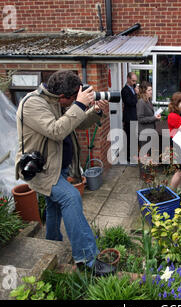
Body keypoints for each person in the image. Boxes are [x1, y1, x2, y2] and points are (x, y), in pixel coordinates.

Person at [15, 70, 115, 276]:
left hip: (57, 167)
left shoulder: (55, 102)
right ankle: (87, 259)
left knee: (54, 206)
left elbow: (73, 125)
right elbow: (57, 130)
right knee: (70, 198)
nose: (72, 103)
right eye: (72, 99)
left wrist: (95, 111)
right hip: (41, 171)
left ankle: (51, 245)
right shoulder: (33, 104)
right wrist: (78, 105)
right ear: (63, 96)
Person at [137, 81, 161, 155]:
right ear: (144, 91)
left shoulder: (148, 100)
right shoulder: (141, 102)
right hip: (144, 132)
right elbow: (140, 119)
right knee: (144, 155)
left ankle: (149, 166)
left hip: (150, 130)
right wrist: (154, 118)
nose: (151, 92)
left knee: (148, 154)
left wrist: (156, 116)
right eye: (149, 90)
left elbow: (149, 115)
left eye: (151, 90)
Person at [121, 72, 139, 164]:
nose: (134, 82)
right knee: (129, 138)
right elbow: (131, 102)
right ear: (128, 79)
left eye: (135, 81)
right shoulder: (125, 90)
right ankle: (128, 157)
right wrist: (135, 94)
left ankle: (133, 155)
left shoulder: (132, 88)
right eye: (132, 80)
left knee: (134, 138)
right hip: (128, 118)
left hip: (134, 117)